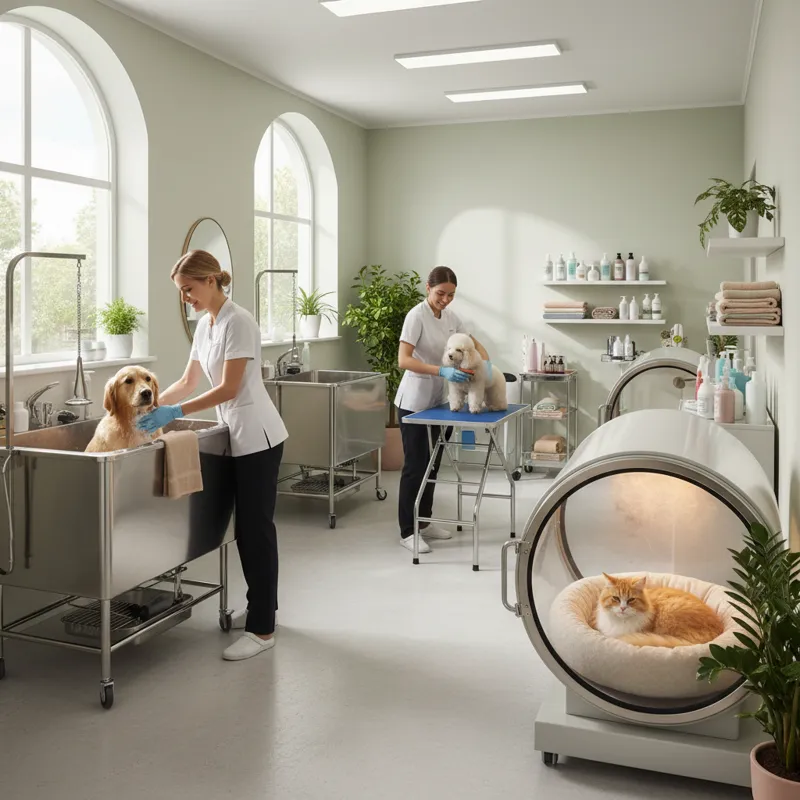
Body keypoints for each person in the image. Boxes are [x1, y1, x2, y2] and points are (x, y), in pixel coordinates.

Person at [136, 249, 287, 661]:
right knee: (245, 531)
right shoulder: (206, 324)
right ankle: (263, 611)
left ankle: (262, 630)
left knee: (255, 531)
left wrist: (175, 413)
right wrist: (149, 407)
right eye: (181, 291)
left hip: (258, 437)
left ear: (210, 281)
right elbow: (188, 381)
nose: (186, 297)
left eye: (189, 289)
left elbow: (228, 389)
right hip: (233, 436)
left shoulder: (239, 321)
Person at [395, 266, 492, 553]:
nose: (445, 300)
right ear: (428, 288)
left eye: (451, 295)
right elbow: (403, 360)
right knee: (416, 466)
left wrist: (486, 366)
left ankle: (424, 522)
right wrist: (441, 371)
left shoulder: (451, 317)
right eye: (440, 293)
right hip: (414, 403)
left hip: (439, 402)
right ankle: (408, 531)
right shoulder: (416, 316)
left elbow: (473, 343)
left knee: (434, 464)